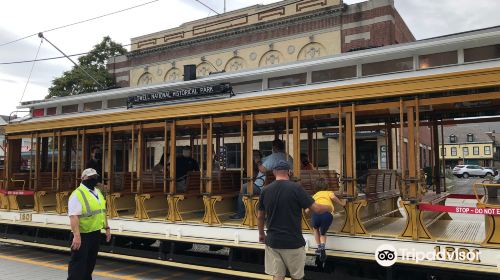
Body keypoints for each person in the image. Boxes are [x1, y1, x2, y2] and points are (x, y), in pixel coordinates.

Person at [258, 160, 330, 280]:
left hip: (273, 241)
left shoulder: (265, 190)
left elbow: (260, 216)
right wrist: (329, 206)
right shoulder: (296, 188)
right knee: (297, 277)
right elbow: (316, 209)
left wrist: (261, 234)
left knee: (277, 276)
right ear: (289, 172)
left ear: (274, 172)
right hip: (293, 242)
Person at [230, 140, 293, 220]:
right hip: (283, 185)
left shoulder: (274, 156)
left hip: (262, 186)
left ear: (274, 147)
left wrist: (258, 161)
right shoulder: (288, 157)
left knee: (244, 187)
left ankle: (240, 214)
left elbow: (262, 169)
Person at [67, 168, 111, 280]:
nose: (93, 179)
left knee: (89, 265)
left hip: (95, 233)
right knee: (78, 266)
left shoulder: (98, 193)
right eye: (90, 177)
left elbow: (102, 211)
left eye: (95, 177)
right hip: (82, 235)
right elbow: (73, 216)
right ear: (83, 178)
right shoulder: (77, 194)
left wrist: (107, 228)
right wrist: (77, 236)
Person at [308, 178, 345, 262]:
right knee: (323, 233)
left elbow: (309, 205)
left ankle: (318, 247)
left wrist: (307, 210)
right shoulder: (329, 192)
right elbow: (333, 198)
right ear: (326, 186)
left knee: (315, 229)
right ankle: (323, 247)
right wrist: (341, 203)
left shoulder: (315, 195)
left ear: (316, 187)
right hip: (327, 216)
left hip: (316, 215)